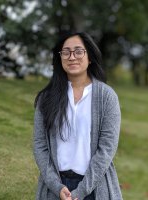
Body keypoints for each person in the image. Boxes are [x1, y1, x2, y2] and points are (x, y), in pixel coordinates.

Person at [33, 32, 122, 200]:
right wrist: (56, 186)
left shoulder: (107, 97)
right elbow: (40, 145)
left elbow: (107, 149)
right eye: (66, 52)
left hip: (94, 188)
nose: (72, 57)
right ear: (60, 58)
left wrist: (81, 191)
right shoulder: (46, 98)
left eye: (78, 51)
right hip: (56, 187)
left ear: (89, 57)